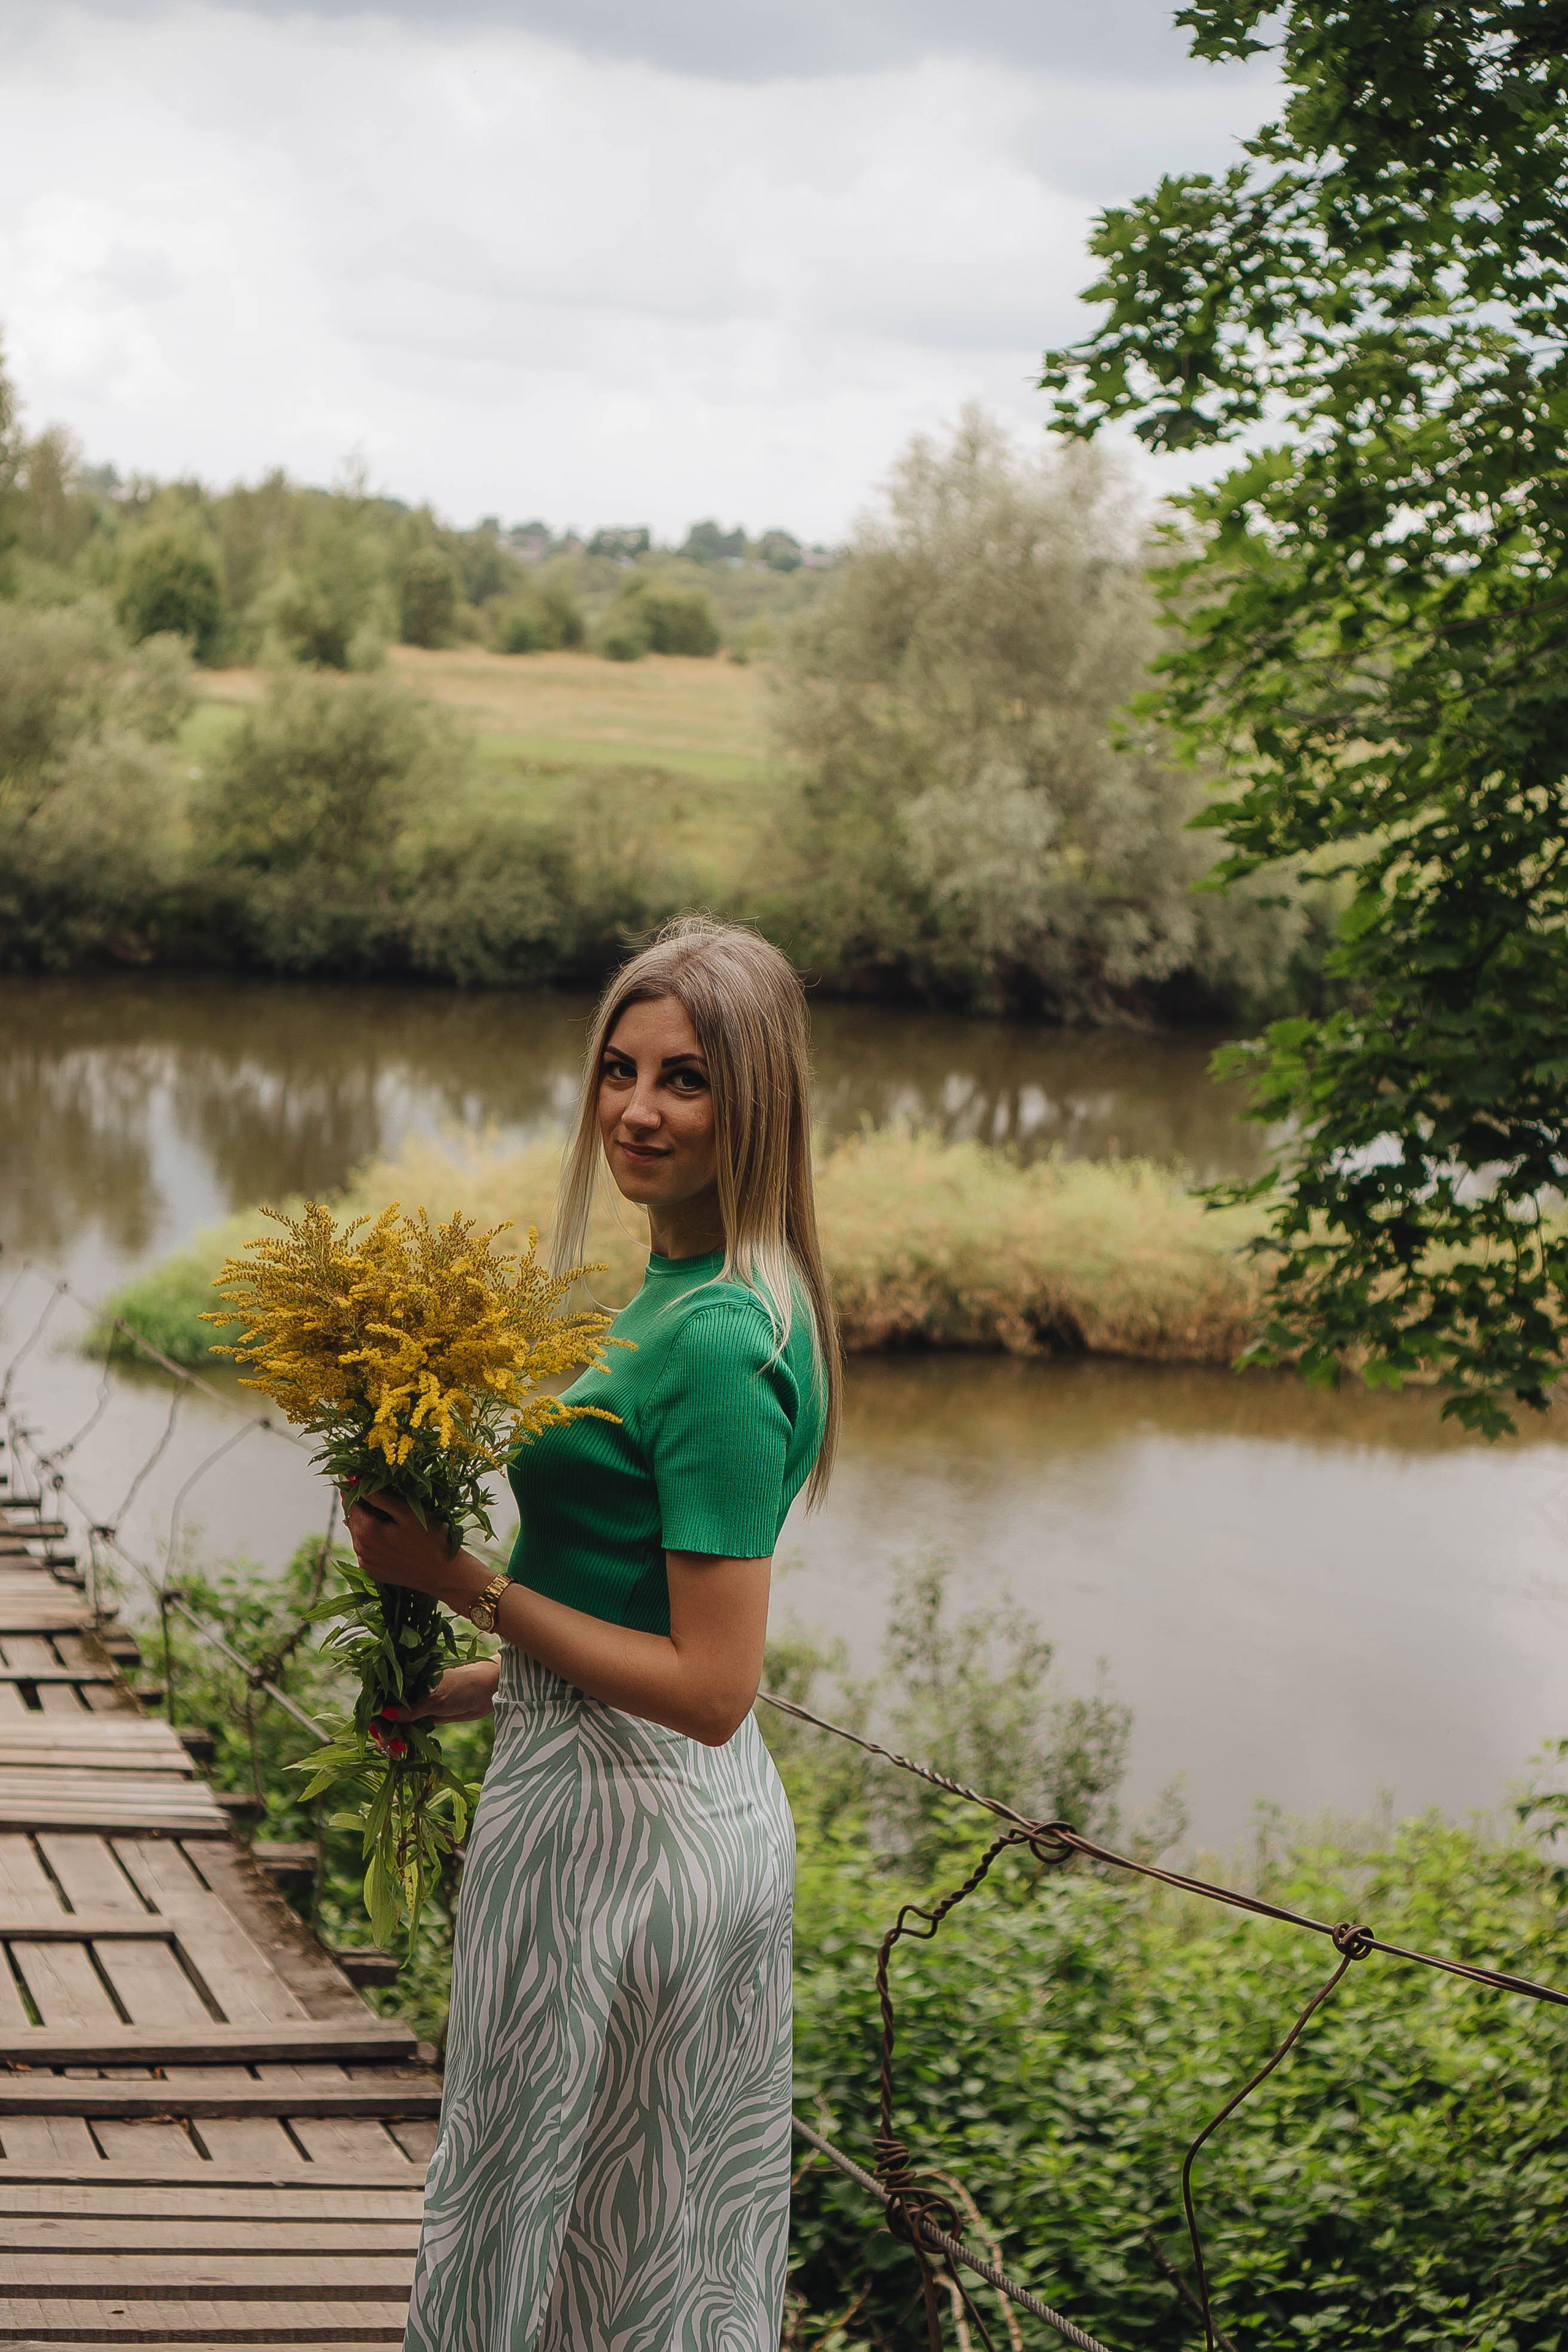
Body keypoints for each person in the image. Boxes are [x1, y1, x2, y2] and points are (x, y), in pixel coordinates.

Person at [342, 916, 840, 2352]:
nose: (635, 1110)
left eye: (686, 1080)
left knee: (575, 2242)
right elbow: (623, 1619)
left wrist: (456, 1577)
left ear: (758, 1099)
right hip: (614, 1810)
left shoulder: (715, 1339)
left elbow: (708, 1689)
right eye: (618, 1071)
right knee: (607, 2235)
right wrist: (462, 1690)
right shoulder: (676, 1291)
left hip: (633, 1852)